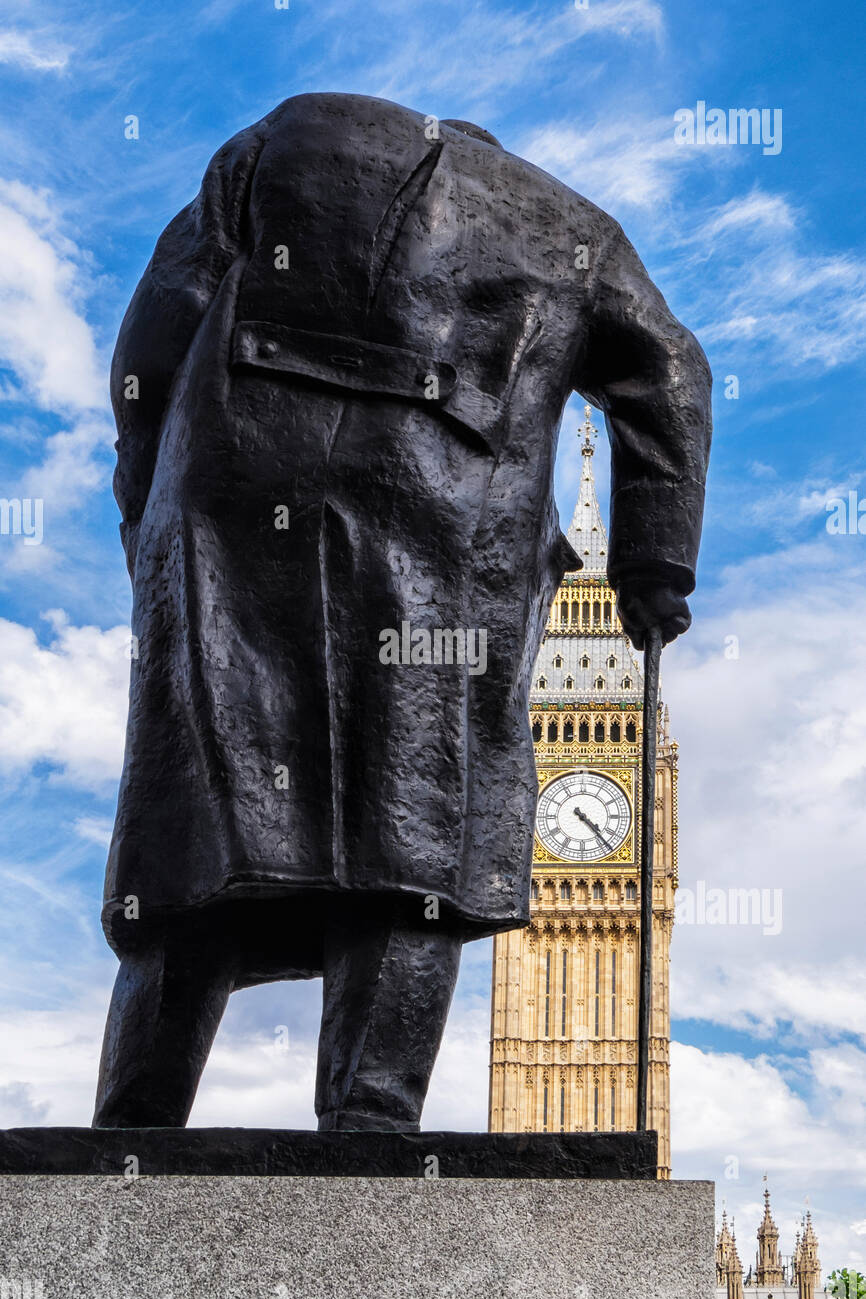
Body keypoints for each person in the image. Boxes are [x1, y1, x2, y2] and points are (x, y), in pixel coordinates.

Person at [93, 94, 711, 1130]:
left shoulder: (280, 138)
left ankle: (136, 1115)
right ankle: (372, 1115)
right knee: (421, 822)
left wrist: (150, 500)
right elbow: (672, 371)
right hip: (444, 525)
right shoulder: (568, 225)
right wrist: (658, 566)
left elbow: (153, 339)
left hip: (235, 497)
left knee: (195, 803)